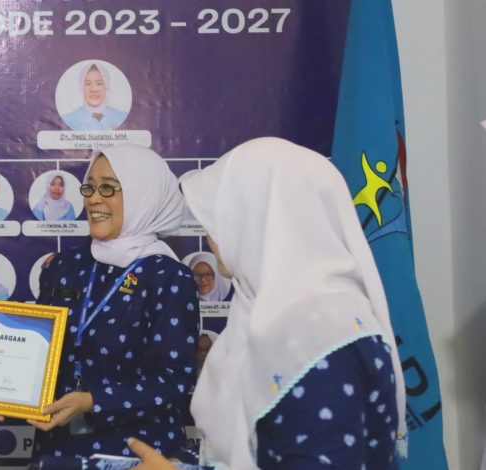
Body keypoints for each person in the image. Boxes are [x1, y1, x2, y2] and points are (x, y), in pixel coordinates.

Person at [128, 137, 407, 469]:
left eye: (219, 220)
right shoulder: (279, 315)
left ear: (258, 219)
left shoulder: (321, 338)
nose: (211, 239)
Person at [28, 144, 200, 461]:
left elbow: (172, 381)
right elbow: (34, 350)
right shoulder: (65, 266)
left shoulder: (168, 277)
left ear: (143, 196)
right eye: (89, 187)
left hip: (137, 455)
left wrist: (93, 400)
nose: (94, 199)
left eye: (108, 188)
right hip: (58, 451)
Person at [62, 63, 128, 131]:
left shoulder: (122, 117)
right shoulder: (67, 120)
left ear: (106, 86)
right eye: (88, 84)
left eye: (99, 83)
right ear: (82, 87)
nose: (94, 89)